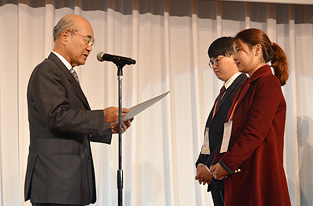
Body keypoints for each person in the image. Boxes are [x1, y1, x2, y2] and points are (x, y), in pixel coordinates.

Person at [24, 14, 133, 206]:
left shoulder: (65, 73)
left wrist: (107, 127)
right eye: (87, 39)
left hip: (69, 186)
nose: (90, 47)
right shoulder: (47, 71)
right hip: (55, 184)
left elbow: (72, 124)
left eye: (92, 42)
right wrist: (102, 115)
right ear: (65, 36)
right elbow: (57, 117)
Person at [209, 28, 291, 206]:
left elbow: (254, 132)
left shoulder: (268, 82)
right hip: (241, 172)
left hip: (258, 172)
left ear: (257, 49)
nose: (235, 55)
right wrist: (217, 162)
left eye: (238, 49)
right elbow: (233, 131)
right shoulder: (248, 85)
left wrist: (226, 164)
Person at [195, 37, 247, 205]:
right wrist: (201, 163)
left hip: (229, 173)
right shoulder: (225, 90)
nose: (214, 66)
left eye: (217, 59)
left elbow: (234, 134)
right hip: (217, 176)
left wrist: (211, 168)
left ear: (234, 56)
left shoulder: (243, 86)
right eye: (211, 62)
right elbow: (212, 133)